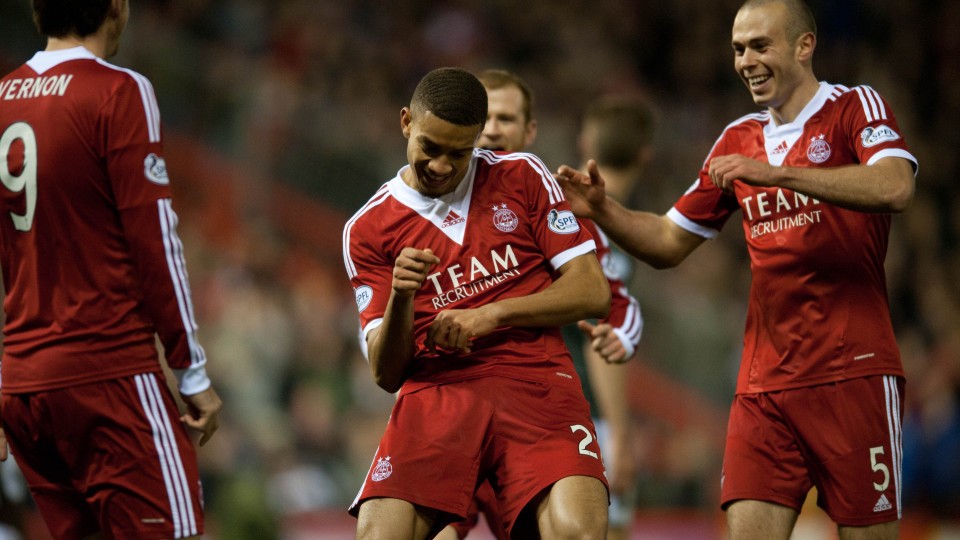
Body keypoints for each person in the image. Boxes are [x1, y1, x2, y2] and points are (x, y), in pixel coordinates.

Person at [555, 0, 917, 538]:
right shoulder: (736, 140)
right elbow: (668, 241)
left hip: (853, 374)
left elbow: (894, 186)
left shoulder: (854, 108)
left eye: (759, 45)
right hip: (762, 387)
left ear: (804, 45)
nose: (745, 60)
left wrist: (778, 175)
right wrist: (604, 210)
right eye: (738, 49)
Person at [343, 67, 611, 539]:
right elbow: (386, 375)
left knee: (578, 533)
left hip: (532, 376)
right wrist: (402, 298)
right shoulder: (367, 229)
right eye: (431, 147)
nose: (443, 165)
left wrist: (491, 313)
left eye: (459, 153)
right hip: (437, 390)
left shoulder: (522, 174)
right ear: (406, 122)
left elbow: (592, 291)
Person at [0, 1, 223, 538]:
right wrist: (190, 371)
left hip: (25, 389)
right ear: (116, 6)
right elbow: (156, 238)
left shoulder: (2, 98)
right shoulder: (118, 90)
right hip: (109, 376)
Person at [440, 71, 649, 540]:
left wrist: (616, 432)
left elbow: (605, 318)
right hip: (458, 408)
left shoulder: (555, 213)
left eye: (506, 118)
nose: (493, 129)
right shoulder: (427, 209)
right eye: (484, 118)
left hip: (545, 415)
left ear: (530, 130)